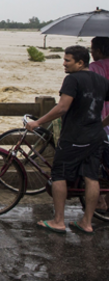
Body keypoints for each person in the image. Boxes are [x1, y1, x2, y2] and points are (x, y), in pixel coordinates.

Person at [26, 45, 109, 234]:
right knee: (91, 176)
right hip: (96, 135)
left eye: (67, 60)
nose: (64, 64)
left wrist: (38, 122)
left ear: (80, 62)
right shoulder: (102, 81)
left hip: (75, 137)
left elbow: (62, 108)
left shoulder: (72, 80)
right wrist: (102, 123)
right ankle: (86, 223)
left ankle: (58, 220)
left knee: (59, 175)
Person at [89, 36, 109, 212]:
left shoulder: (94, 68)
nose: (92, 52)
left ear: (100, 50)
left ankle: (100, 200)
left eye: (93, 49)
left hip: (100, 120)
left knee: (93, 160)